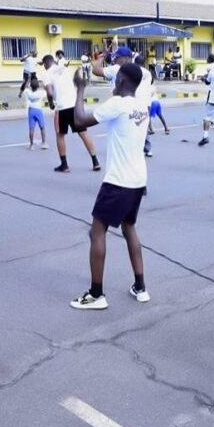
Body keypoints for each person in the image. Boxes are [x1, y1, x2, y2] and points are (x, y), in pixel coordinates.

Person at [68, 64, 151, 310]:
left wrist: (80, 89)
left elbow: (79, 119)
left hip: (118, 181)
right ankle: (140, 286)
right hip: (137, 180)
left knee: (97, 232)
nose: (113, 82)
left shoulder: (118, 105)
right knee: (129, 229)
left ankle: (96, 294)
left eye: (117, 79)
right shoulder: (140, 107)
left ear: (123, 82)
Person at [42, 54, 100, 173]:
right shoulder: (65, 69)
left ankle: (64, 165)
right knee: (83, 133)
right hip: (75, 106)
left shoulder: (47, 74)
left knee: (60, 135)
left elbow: (49, 92)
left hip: (62, 108)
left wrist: (51, 103)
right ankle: (95, 161)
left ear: (45, 64)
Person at [24, 77, 48, 150]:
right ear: (38, 86)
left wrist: (27, 81)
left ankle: (31, 145)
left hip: (31, 110)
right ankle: (43, 143)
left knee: (31, 128)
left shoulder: (28, 93)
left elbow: (25, 88)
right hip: (38, 110)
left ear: (31, 86)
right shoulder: (40, 93)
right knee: (42, 127)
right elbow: (46, 90)